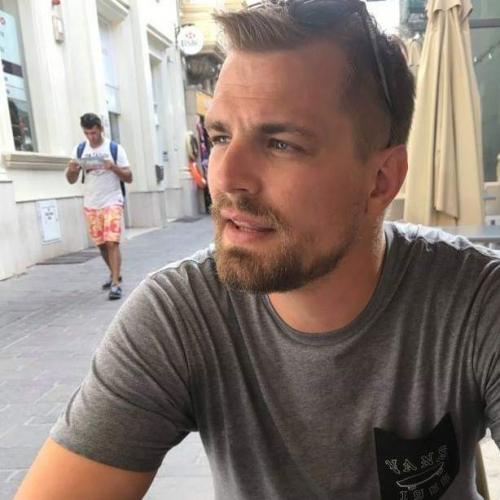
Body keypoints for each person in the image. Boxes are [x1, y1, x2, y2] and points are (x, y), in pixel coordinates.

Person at [15, 1, 500, 499]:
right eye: (220, 136)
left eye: (281, 143)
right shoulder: (180, 316)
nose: (225, 177)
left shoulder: (475, 300)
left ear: (380, 180)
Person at [65, 113, 132, 300]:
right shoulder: (79, 150)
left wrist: (113, 167)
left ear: (101, 129)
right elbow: (71, 180)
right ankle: (114, 273)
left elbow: (129, 177)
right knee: (101, 244)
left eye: (94, 132)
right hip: (91, 203)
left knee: (112, 241)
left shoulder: (114, 149)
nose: (91, 137)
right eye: (87, 133)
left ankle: (116, 284)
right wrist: (72, 170)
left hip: (112, 200)